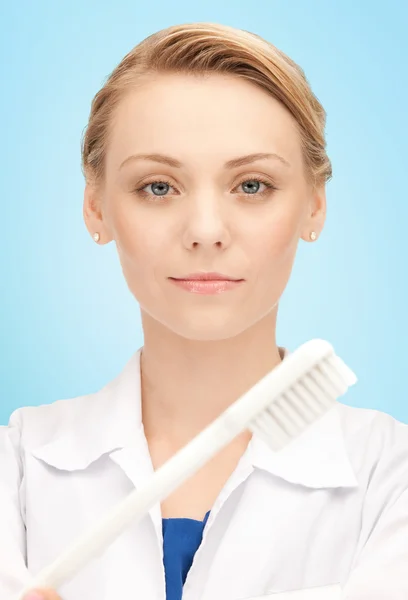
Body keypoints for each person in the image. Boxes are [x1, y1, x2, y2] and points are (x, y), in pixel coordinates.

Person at [1, 21, 407, 600]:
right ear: (96, 208)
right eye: (159, 187)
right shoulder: (15, 469)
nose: (206, 232)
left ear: (314, 206)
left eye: (252, 185)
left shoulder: (392, 476)